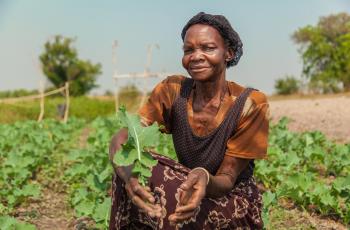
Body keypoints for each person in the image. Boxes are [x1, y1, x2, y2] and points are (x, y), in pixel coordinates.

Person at [109, 12, 269, 230]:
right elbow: (123, 138)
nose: (196, 56)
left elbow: (227, 178)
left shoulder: (250, 104)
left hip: (231, 200)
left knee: (170, 189)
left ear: (228, 53)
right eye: (189, 50)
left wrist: (204, 176)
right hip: (187, 187)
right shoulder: (173, 91)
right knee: (125, 166)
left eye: (208, 48)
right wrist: (130, 179)